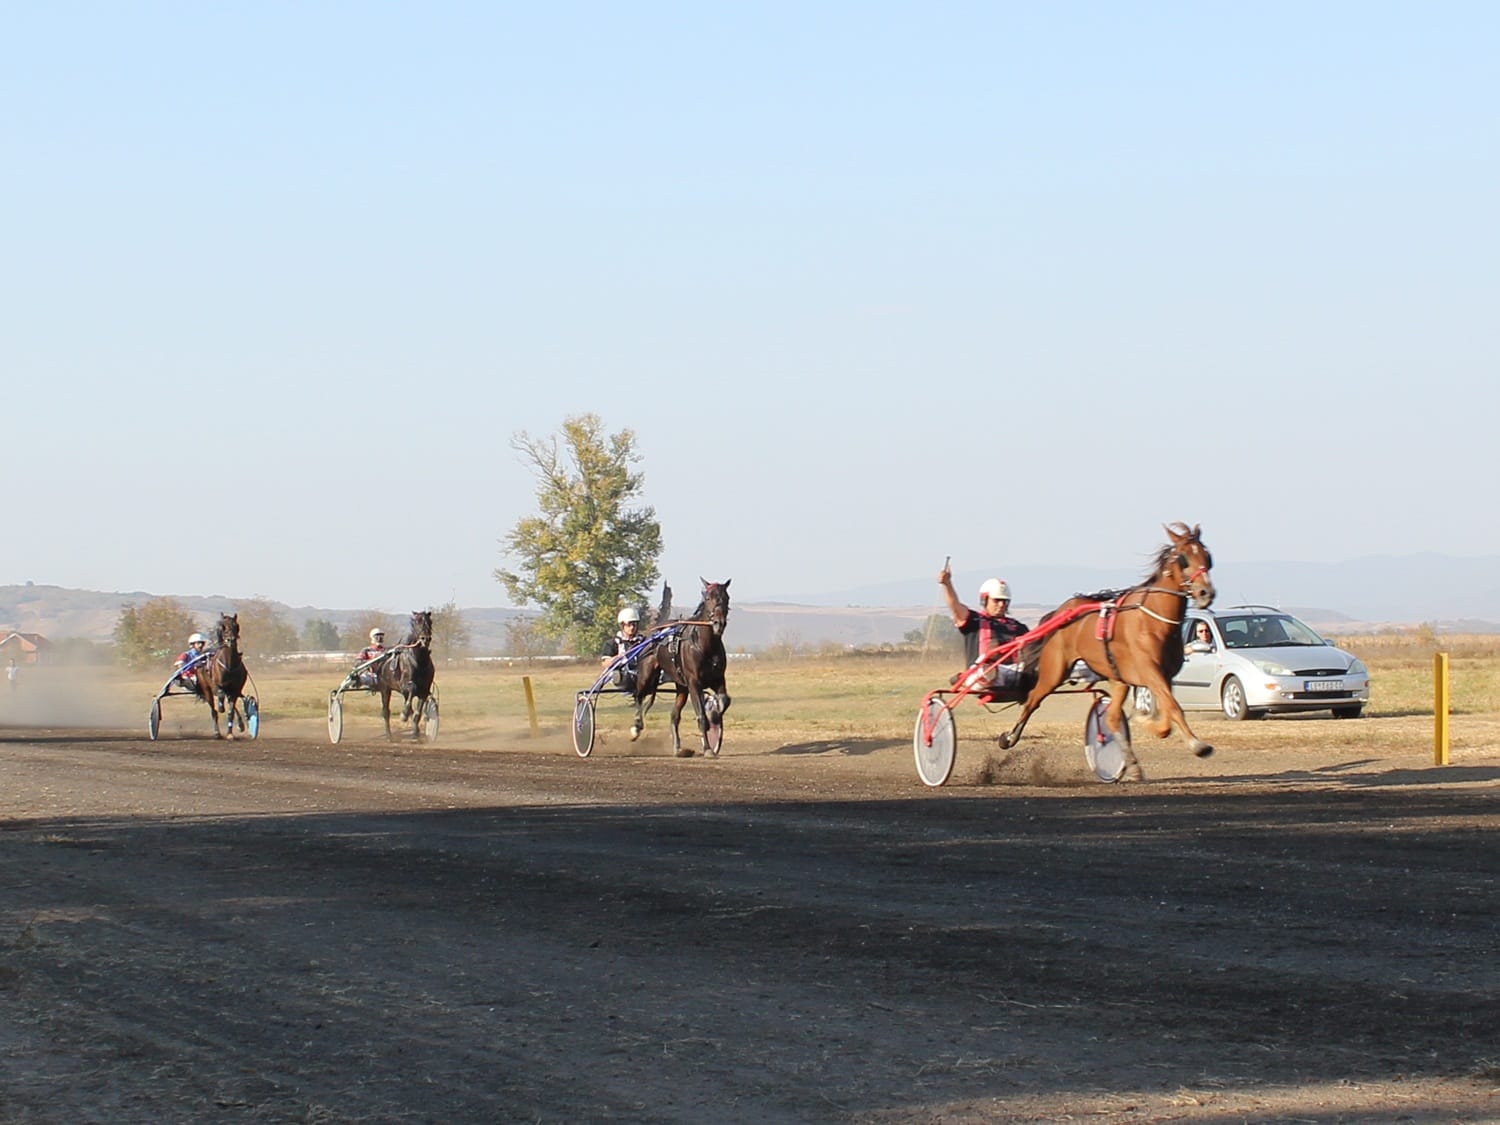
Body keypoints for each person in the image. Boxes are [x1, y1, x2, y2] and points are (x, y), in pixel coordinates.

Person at [938, 564, 1029, 689]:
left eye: (1005, 601)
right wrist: (947, 584)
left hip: (1014, 674)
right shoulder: (974, 621)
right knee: (988, 669)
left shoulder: (1018, 627)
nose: (1001, 605)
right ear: (985, 600)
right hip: (983, 674)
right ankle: (968, 678)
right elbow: (955, 607)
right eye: (996, 600)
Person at [601, 607, 644, 690]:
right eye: (629, 625)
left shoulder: (643, 641)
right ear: (622, 625)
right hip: (623, 676)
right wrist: (618, 657)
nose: (632, 627)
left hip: (641, 674)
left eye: (634, 624)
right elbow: (605, 663)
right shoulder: (612, 643)